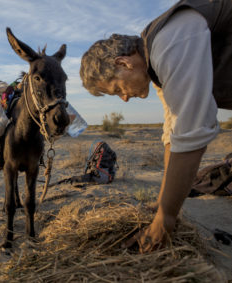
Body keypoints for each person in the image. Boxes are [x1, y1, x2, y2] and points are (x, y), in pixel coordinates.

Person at [80, 0, 232, 252]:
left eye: (118, 90)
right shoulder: (157, 71)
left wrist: (166, 219)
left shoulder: (169, 41)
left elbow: (192, 131)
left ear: (123, 63)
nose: (125, 98)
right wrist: (163, 203)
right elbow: (173, 134)